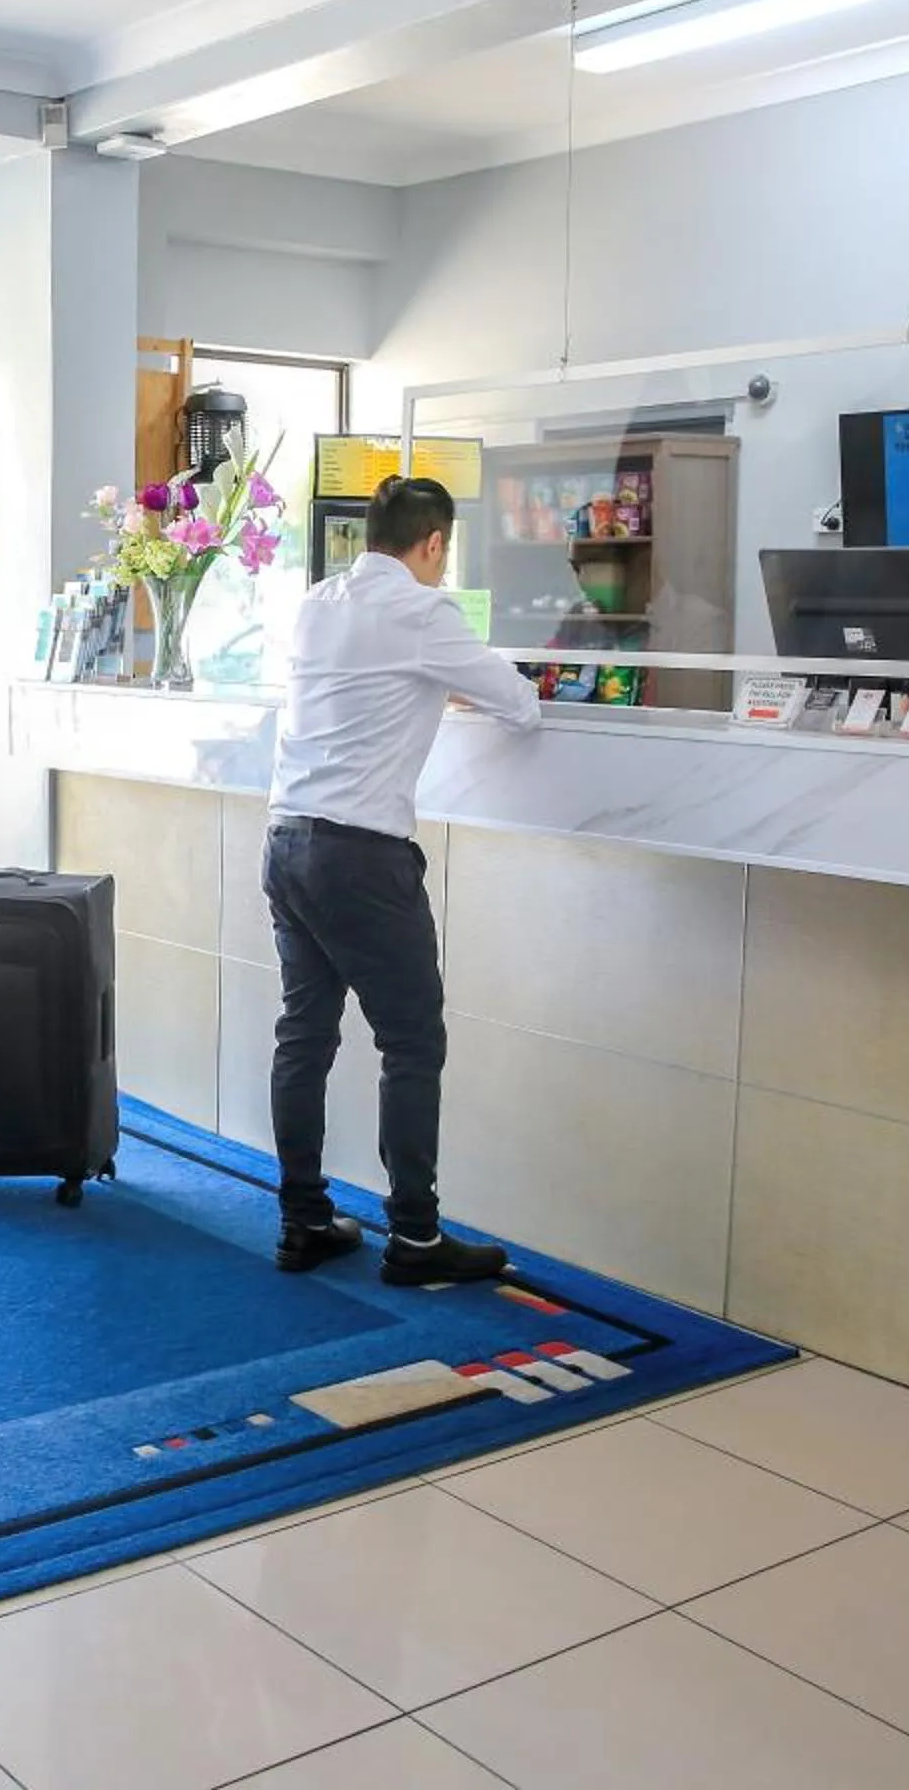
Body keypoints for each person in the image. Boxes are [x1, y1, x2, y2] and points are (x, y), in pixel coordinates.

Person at [260, 476, 543, 1284]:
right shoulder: (423, 613)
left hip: (286, 839)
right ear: (434, 545)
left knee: (304, 1033)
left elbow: (370, 685)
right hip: (359, 855)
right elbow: (521, 705)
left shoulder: (320, 600)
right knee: (413, 1040)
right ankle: (416, 1239)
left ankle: (304, 1218)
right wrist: (450, 678)